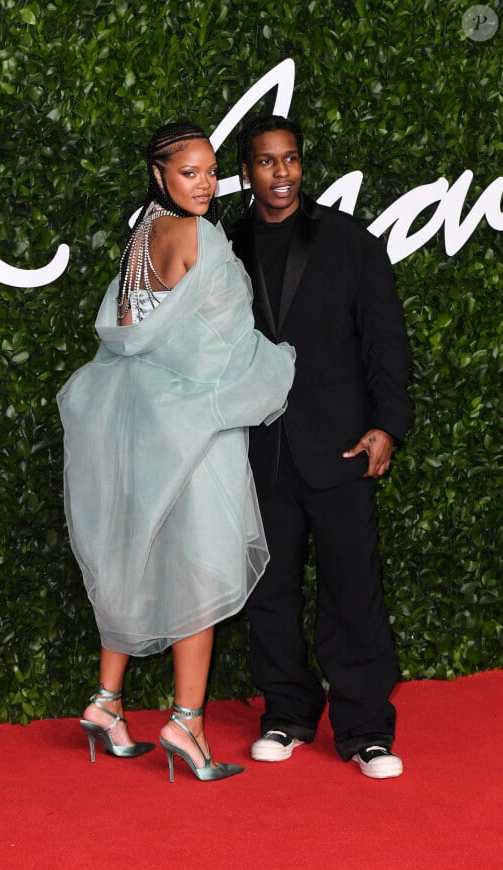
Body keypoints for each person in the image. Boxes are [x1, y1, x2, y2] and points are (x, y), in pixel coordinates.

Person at [57, 122, 295, 783]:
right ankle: (186, 722)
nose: (205, 183)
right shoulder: (202, 237)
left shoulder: (143, 239)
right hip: (195, 437)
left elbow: (129, 334)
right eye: (190, 172)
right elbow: (228, 348)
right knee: (201, 574)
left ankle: (107, 702)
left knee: (136, 560)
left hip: (140, 430)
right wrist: (277, 363)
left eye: (212, 171)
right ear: (160, 175)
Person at [229, 115, 412, 779]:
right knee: (270, 591)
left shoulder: (348, 242)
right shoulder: (226, 245)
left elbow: (384, 339)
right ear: (246, 172)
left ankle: (366, 730)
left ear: (302, 166)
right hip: (258, 450)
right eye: (267, 163)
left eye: (291, 160)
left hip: (339, 447)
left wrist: (387, 425)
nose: (282, 175)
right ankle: (286, 712)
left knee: (352, 589)